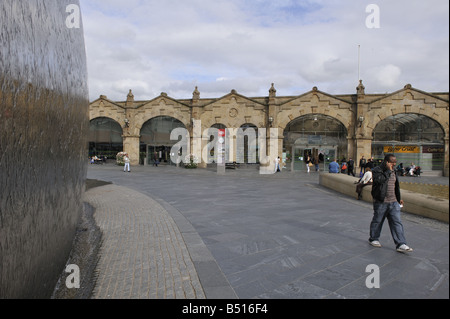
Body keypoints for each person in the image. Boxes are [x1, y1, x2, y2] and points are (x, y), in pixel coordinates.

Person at [369, 154, 413, 253]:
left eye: (395, 162)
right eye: (392, 162)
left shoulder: (394, 171)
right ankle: (374, 238)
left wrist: (399, 198)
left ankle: (401, 244)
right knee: (378, 220)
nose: (394, 164)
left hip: (393, 202)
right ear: (386, 162)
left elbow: (395, 186)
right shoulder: (377, 170)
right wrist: (388, 171)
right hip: (381, 201)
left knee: (397, 222)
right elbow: (379, 180)